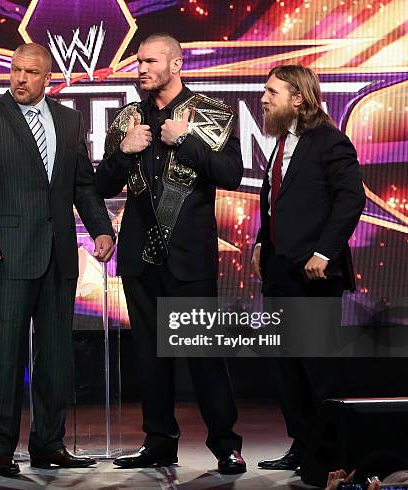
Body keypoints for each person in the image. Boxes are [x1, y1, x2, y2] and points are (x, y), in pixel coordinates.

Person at [0, 43, 114, 477]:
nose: (20, 78)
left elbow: (82, 185)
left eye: (31, 72)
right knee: (5, 356)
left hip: (59, 256)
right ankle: (0, 448)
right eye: (16, 70)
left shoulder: (69, 119)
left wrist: (101, 227)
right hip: (8, 253)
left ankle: (49, 444)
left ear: (48, 78)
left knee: (56, 356)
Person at [95, 33, 246, 474]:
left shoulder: (212, 114)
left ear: (176, 64)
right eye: (138, 62)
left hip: (189, 259)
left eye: (150, 61)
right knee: (150, 357)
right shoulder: (126, 119)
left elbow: (232, 175)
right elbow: (101, 186)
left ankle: (225, 444)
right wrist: (123, 153)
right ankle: (159, 441)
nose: (141, 68)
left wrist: (188, 142)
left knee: (204, 357)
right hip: (141, 259)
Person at [252, 65, 366, 471]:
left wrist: (325, 252)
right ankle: (302, 446)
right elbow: (277, 202)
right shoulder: (284, 143)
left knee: (318, 368)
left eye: (271, 92)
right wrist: (262, 240)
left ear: (298, 98)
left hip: (314, 275)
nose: (263, 98)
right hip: (280, 274)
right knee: (286, 367)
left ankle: (331, 452)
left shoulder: (330, 141)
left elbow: (351, 200)